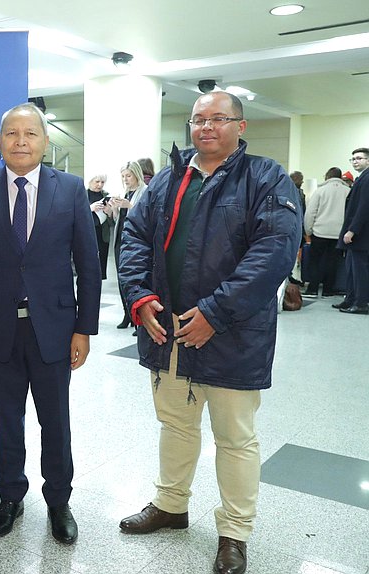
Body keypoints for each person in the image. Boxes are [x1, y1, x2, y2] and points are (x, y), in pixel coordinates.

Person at [117, 92, 302, 574]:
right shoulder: (166, 179)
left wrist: (215, 313)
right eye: (199, 119)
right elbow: (133, 237)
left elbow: (274, 253)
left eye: (219, 119)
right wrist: (138, 296)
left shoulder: (266, 178)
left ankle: (234, 532)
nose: (207, 127)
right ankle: (171, 504)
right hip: (168, 330)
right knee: (175, 424)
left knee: (235, 438)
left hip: (233, 334)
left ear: (241, 126)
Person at [0, 102, 101, 545]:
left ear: (45, 141)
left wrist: (84, 327)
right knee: (6, 419)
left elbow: (88, 264)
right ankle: (10, 498)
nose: (21, 141)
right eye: (11, 134)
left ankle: (59, 501)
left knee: (55, 420)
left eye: (30, 134)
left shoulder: (71, 189)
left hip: (55, 327)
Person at [105, 160, 146, 331]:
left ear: (136, 174)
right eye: (123, 177)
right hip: (120, 240)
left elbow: (145, 215)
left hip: (136, 241)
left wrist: (129, 206)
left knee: (135, 278)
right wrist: (113, 209)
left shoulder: (144, 191)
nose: (126, 179)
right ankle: (126, 314)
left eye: (128, 176)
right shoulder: (126, 193)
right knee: (122, 278)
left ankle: (139, 319)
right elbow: (118, 219)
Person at [333, 148, 369, 314]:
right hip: (357, 235)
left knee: (359, 270)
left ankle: (360, 302)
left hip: (361, 236)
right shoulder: (361, 178)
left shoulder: (367, 179)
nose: (355, 161)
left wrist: (352, 230)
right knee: (351, 269)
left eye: (359, 158)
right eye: (353, 159)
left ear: (368, 161)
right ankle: (350, 299)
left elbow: (363, 208)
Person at [304, 167, 349, 297]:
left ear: (327, 176)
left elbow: (311, 213)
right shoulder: (348, 192)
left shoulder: (320, 191)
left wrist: (308, 230)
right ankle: (328, 290)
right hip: (339, 234)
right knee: (332, 262)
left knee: (315, 262)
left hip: (319, 232)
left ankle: (312, 289)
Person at [87, 174, 111, 279]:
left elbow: (112, 218)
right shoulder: (82, 194)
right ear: (90, 181)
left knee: (101, 260)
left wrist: (109, 211)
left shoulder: (106, 195)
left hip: (102, 231)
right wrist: (90, 208)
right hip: (87, 231)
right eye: (97, 182)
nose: (100, 185)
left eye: (102, 182)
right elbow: (75, 212)